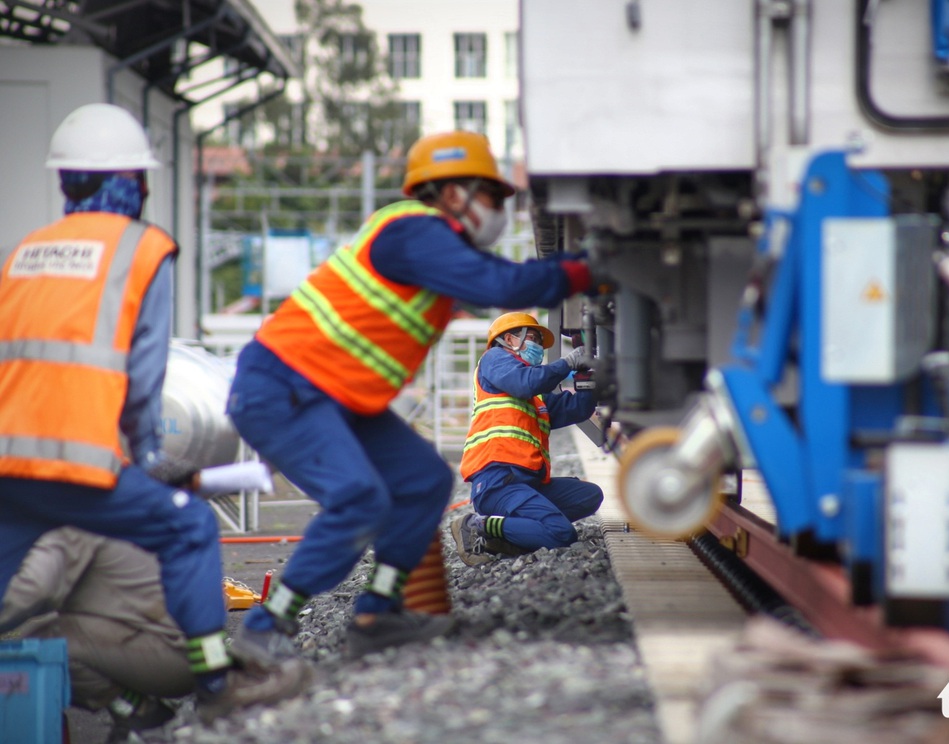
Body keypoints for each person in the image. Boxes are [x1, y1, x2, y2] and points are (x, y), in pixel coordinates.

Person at [225, 130, 594, 662]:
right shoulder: (412, 231)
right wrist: (589, 268)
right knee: (359, 499)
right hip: (284, 386)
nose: (497, 212)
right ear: (452, 194)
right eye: (490, 197)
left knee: (423, 481)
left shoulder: (430, 250)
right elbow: (504, 285)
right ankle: (266, 626)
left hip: (334, 396)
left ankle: (378, 615)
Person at [0, 103, 307, 726]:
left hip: (10, 459)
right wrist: (144, 457)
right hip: (83, 461)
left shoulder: (24, 252)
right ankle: (217, 680)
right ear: (133, 181)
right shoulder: (142, 249)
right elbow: (143, 377)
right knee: (189, 525)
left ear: (66, 181)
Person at [0, 528, 190, 742]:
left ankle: (142, 714)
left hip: (170, 652)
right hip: (176, 642)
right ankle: (144, 712)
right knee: (46, 633)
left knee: (41, 644)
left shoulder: (67, 523)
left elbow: (30, 592)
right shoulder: (92, 510)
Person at [451, 312, 604, 565]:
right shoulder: (494, 359)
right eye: (532, 338)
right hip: (498, 482)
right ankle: (478, 525)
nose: (537, 347)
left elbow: (578, 408)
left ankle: (512, 534)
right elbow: (526, 382)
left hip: (527, 483)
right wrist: (567, 363)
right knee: (561, 533)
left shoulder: (536, 399)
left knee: (589, 496)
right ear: (509, 339)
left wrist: (587, 376)